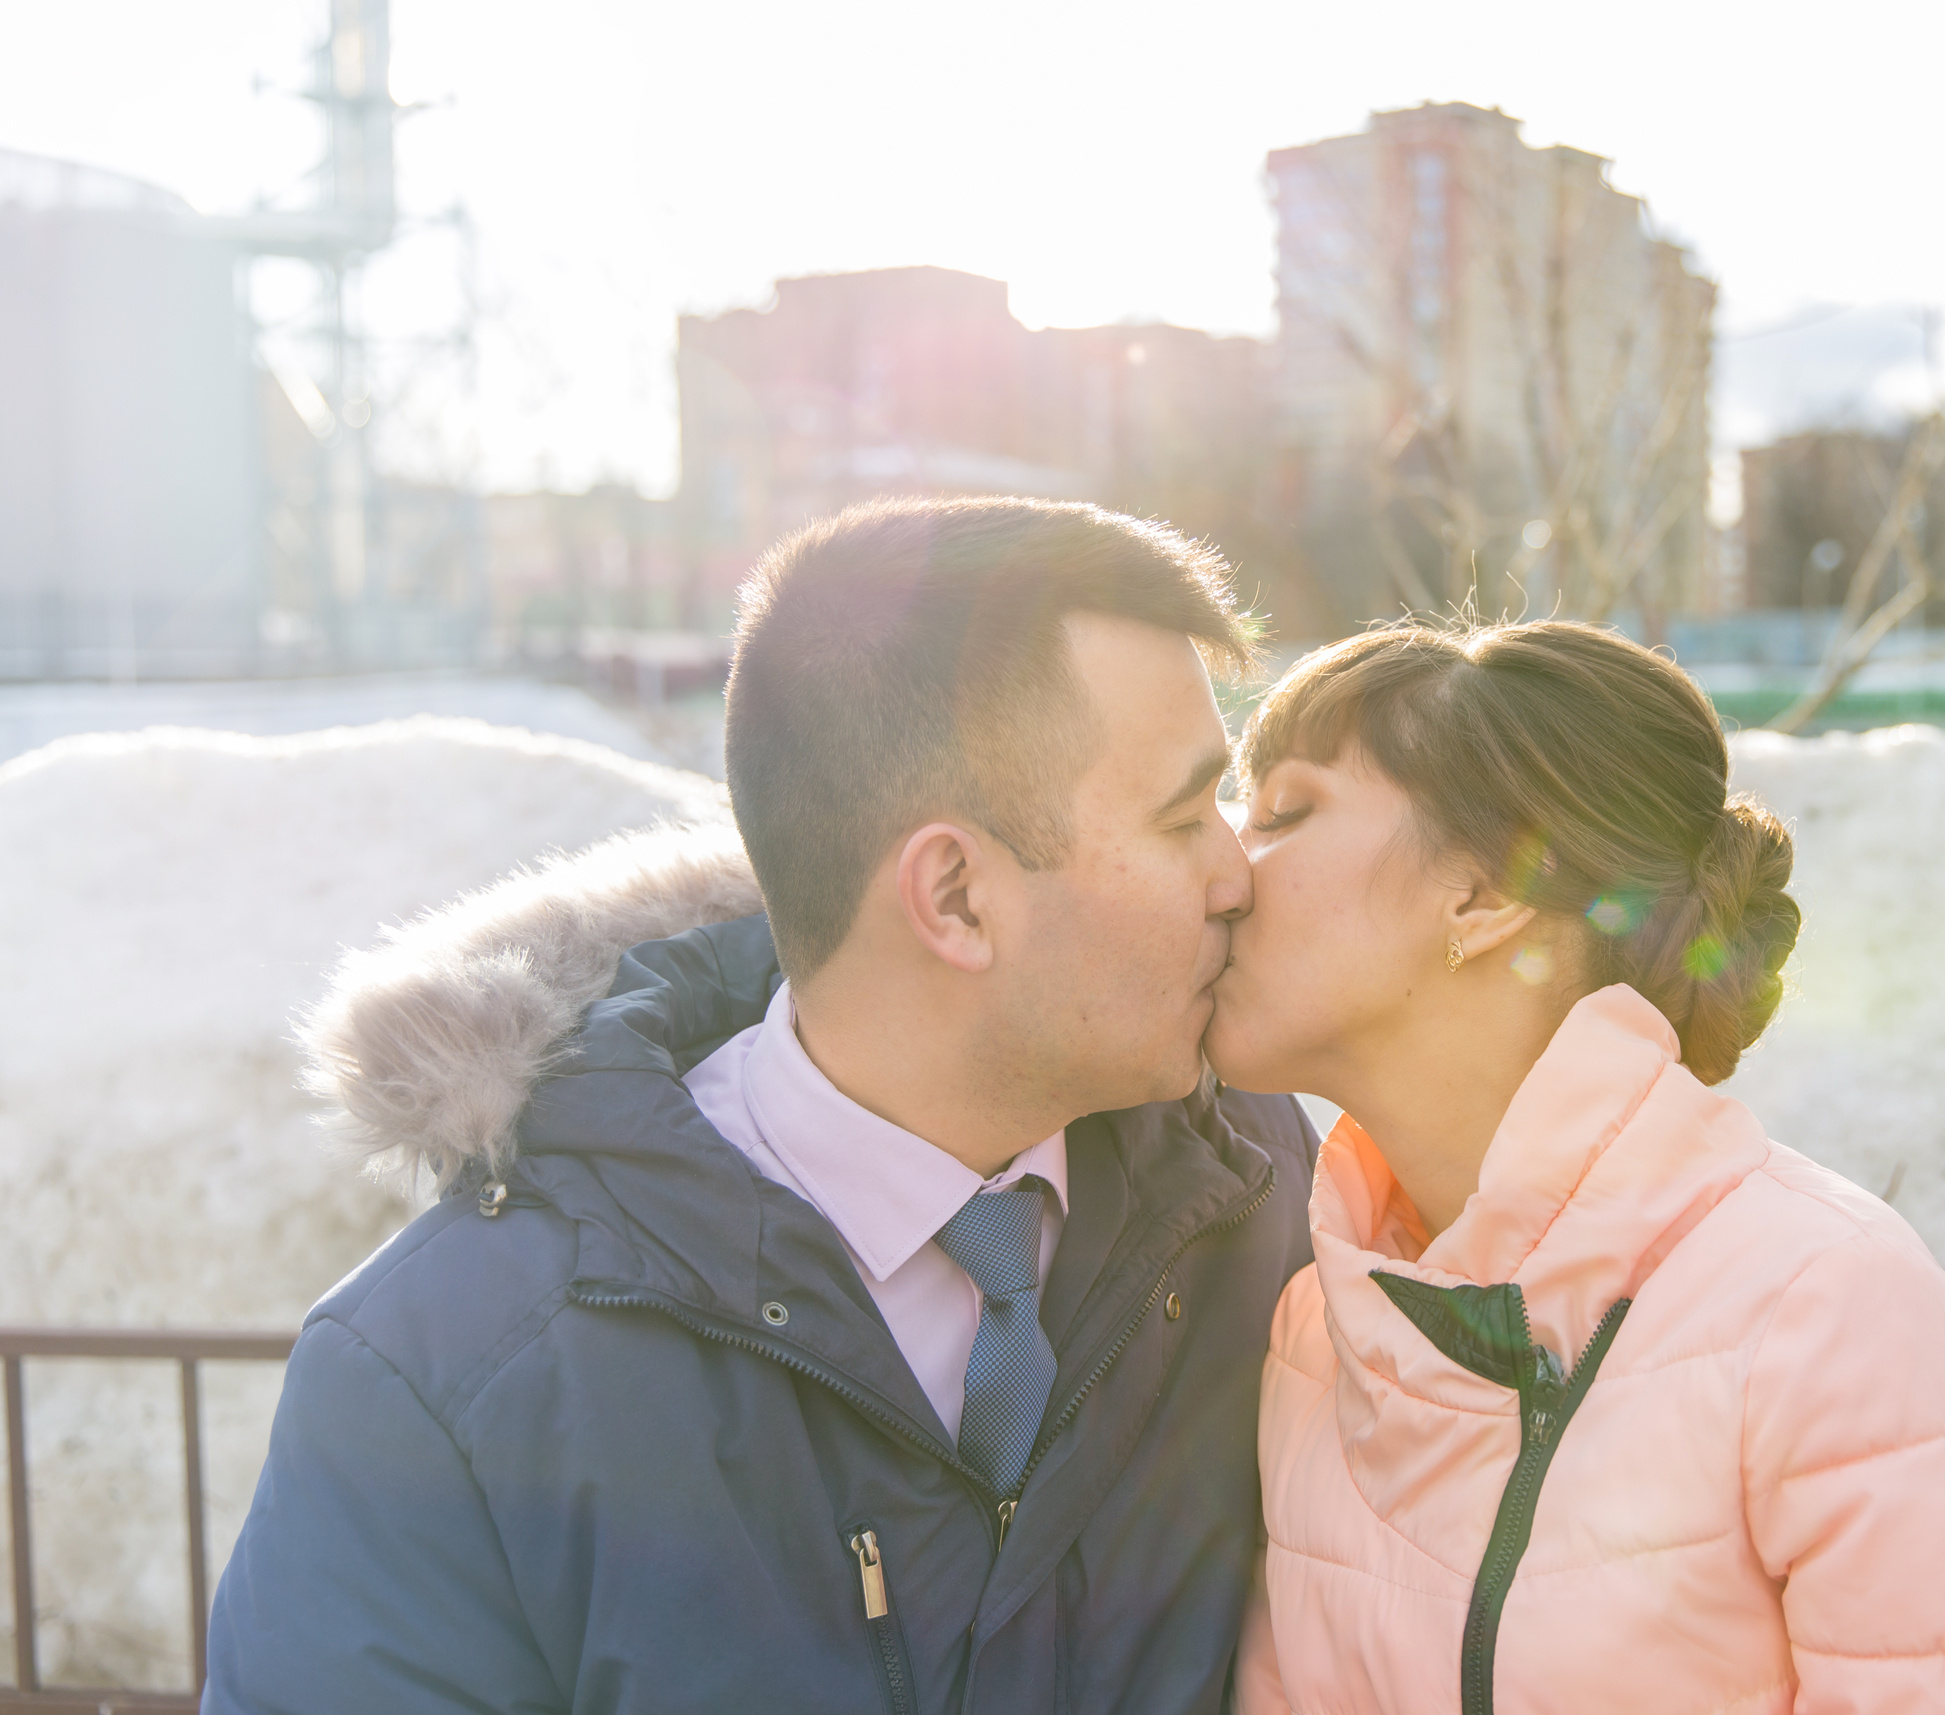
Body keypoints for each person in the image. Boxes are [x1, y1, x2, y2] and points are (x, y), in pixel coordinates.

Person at [205, 498, 1322, 1714]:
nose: (1235, 875)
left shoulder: (1264, 1196)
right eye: (1181, 817)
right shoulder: (444, 1385)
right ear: (953, 896)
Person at [1215, 620, 1945, 1714]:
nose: (1219, 867)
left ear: (1482, 893)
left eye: (1282, 813)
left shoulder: (1831, 1313)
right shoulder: (1317, 1334)